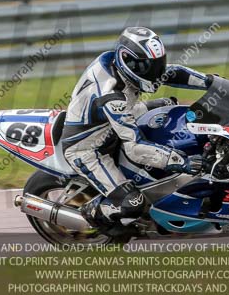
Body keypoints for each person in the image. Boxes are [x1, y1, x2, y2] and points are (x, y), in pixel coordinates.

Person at [62, 27, 209, 225]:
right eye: (147, 67)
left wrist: (212, 82)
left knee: (167, 107)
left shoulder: (118, 63)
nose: (155, 72)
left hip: (112, 120)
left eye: (157, 64)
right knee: (132, 204)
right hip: (87, 147)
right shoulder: (111, 96)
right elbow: (135, 148)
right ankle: (91, 215)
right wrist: (182, 162)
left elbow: (173, 73)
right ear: (127, 61)